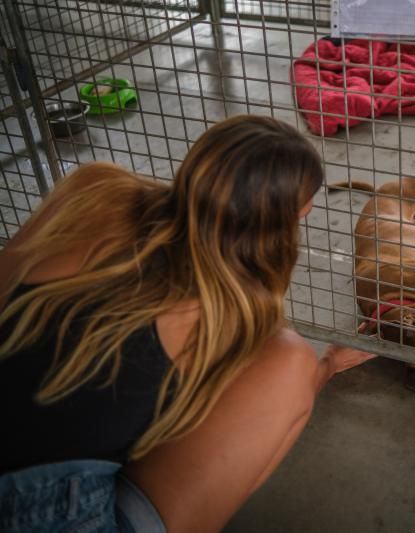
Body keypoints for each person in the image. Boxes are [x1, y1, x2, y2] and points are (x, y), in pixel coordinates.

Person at [0, 115, 375, 532]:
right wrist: (325, 367)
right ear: (283, 224)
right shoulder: (234, 307)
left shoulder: (90, 189)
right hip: (44, 511)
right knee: (291, 363)